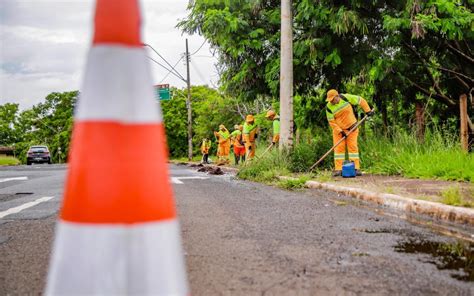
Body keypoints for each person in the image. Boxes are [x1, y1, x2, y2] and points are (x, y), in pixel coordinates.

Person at [326, 89, 374, 176]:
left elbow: (360, 100)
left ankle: (356, 168)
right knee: (338, 149)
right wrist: (340, 131)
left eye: (332, 99)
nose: (331, 102)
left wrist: (367, 110)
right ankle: (338, 169)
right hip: (339, 131)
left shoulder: (345, 97)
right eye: (330, 100)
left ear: (337, 96)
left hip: (352, 128)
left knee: (353, 148)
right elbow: (331, 122)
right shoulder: (328, 107)